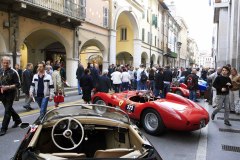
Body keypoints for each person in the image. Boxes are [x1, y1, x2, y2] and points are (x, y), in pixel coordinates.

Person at [0, 56, 22, 136]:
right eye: (4, 62)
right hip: (2, 93)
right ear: (2, 62)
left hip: (10, 93)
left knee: (7, 111)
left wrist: (8, 87)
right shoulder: (0, 70)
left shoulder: (14, 72)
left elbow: (18, 84)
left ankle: (3, 128)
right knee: (8, 108)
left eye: (7, 63)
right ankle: (18, 120)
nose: (5, 64)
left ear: (9, 63)